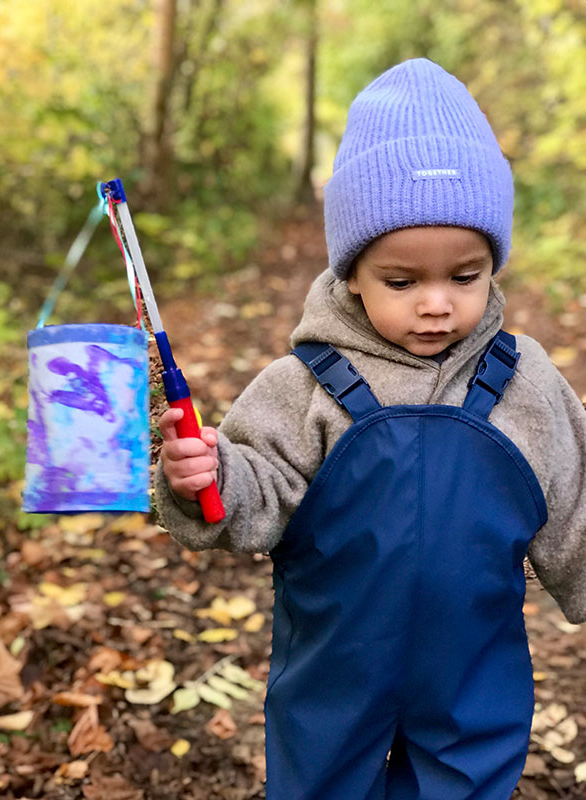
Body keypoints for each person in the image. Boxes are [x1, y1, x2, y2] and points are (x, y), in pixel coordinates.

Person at [155, 58, 586, 799]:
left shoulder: (525, 383)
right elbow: (256, 494)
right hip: (333, 668)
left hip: (473, 671)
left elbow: (576, 508)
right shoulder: (303, 386)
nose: (436, 304)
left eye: (465, 274)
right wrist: (209, 481)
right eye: (402, 280)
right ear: (351, 271)